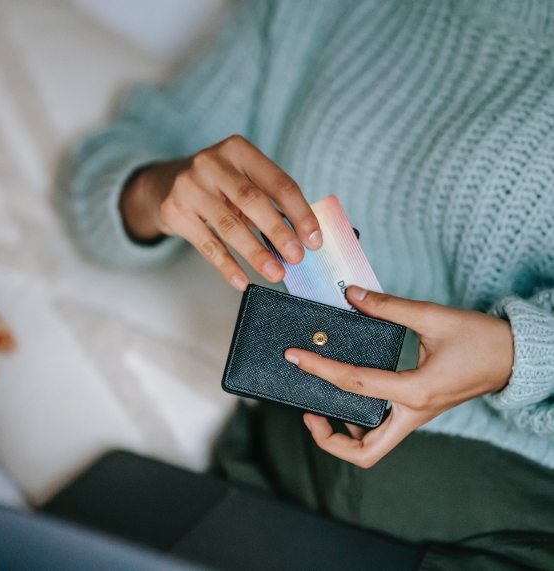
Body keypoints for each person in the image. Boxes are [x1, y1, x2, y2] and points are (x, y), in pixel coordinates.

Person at [60, 0, 554, 568]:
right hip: (273, 476)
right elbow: (106, 172)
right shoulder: (308, 10)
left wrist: (518, 355)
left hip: (514, 519)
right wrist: (161, 190)